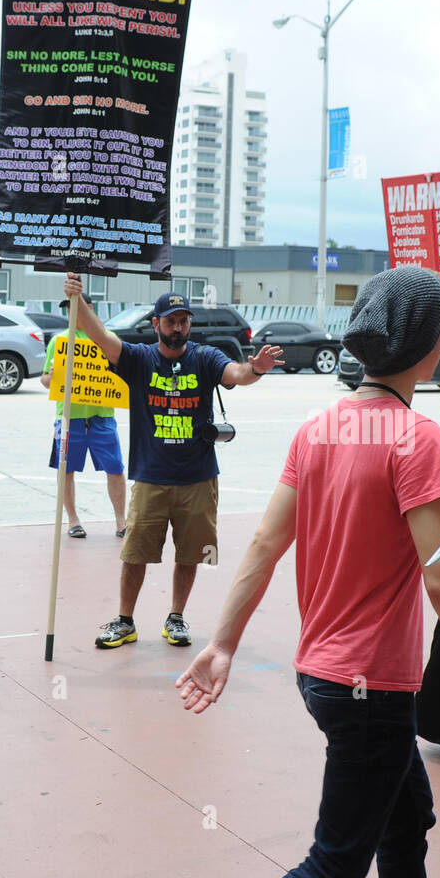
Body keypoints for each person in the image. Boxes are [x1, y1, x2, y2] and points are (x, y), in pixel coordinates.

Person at [175, 266, 440, 878]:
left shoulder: (319, 427)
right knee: (334, 865)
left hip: (323, 675)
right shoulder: (414, 440)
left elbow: (267, 544)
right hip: (372, 690)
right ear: (426, 343)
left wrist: (222, 643)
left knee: (406, 816)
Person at [61, 273, 283, 649]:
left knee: (190, 553)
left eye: (184, 321)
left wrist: (256, 368)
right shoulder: (138, 359)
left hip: (198, 478)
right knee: (135, 554)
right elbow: (100, 336)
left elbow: (238, 374)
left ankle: (176, 617)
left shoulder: (204, 356)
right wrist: (76, 298)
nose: (178, 327)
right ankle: (126, 621)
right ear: (156, 324)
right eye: (171, 321)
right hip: (151, 477)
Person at [40, 299, 129, 540]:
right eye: (68, 309)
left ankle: (121, 521)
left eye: (76, 308)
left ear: (89, 309)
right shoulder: (60, 341)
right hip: (69, 418)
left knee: (115, 468)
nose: (71, 313)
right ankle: (73, 520)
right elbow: (46, 380)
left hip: (102, 416)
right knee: (66, 470)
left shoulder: (107, 338)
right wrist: (54, 376)